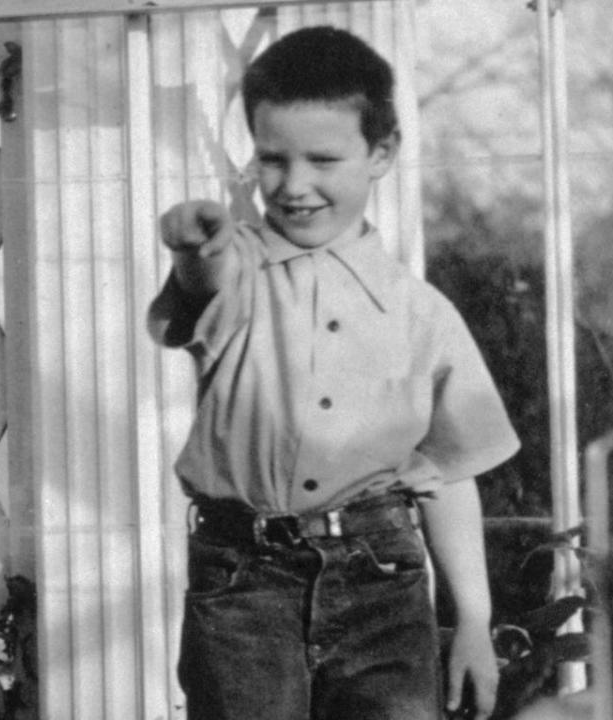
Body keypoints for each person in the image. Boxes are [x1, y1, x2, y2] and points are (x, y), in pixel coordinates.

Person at [148, 25, 520, 720]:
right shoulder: (242, 272)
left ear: (383, 154)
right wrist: (192, 246)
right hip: (243, 582)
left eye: (322, 159)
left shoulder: (422, 316)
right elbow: (204, 281)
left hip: (381, 579)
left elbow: (450, 473)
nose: (293, 186)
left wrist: (472, 619)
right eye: (271, 160)